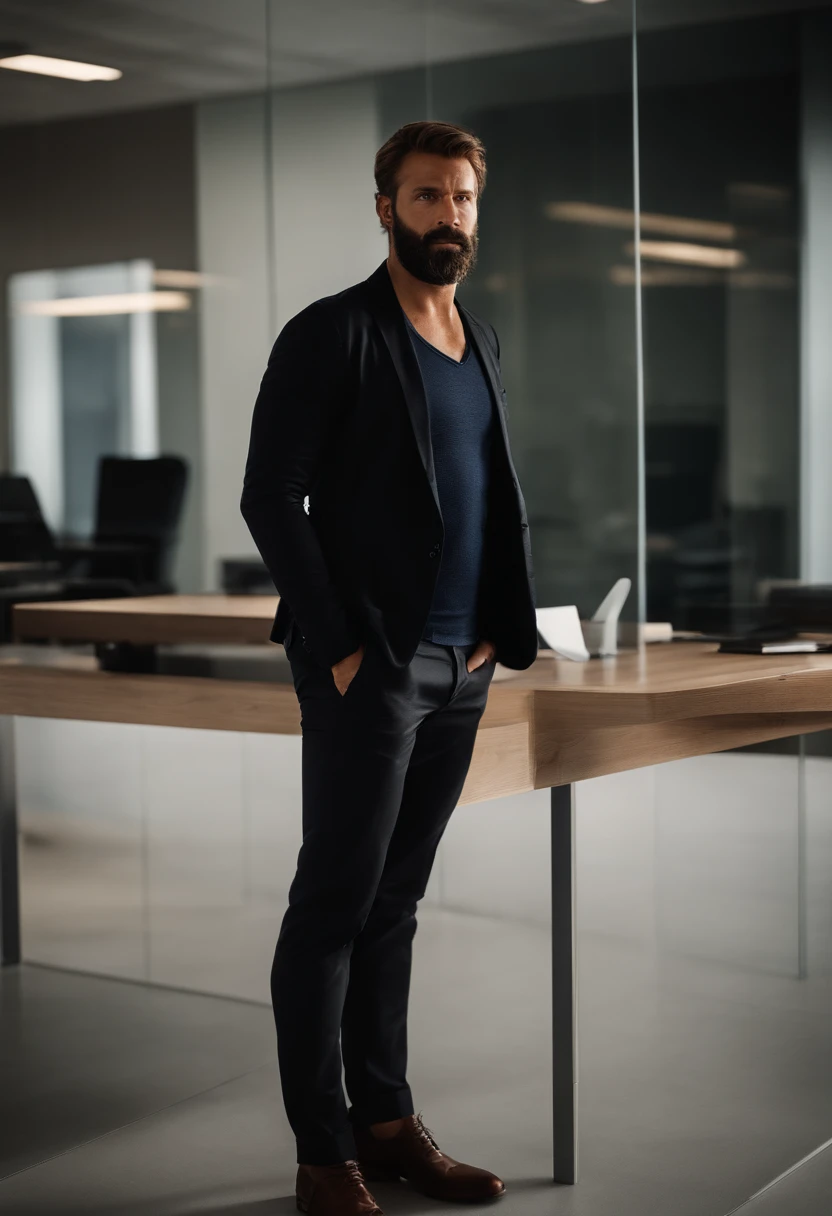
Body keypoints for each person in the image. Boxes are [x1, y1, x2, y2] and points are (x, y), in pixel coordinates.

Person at [241, 119, 538, 1216]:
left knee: (395, 903)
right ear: (385, 209)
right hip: (373, 665)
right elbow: (271, 496)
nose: (446, 216)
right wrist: (344, 646)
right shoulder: (332, 335)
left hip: (463, 663)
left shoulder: (481, 337)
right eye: (424, 197)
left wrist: (493, 631)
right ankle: (325, 1156)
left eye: (460, 198)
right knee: (333, 902)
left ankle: (388, 1119)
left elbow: (483, 494)